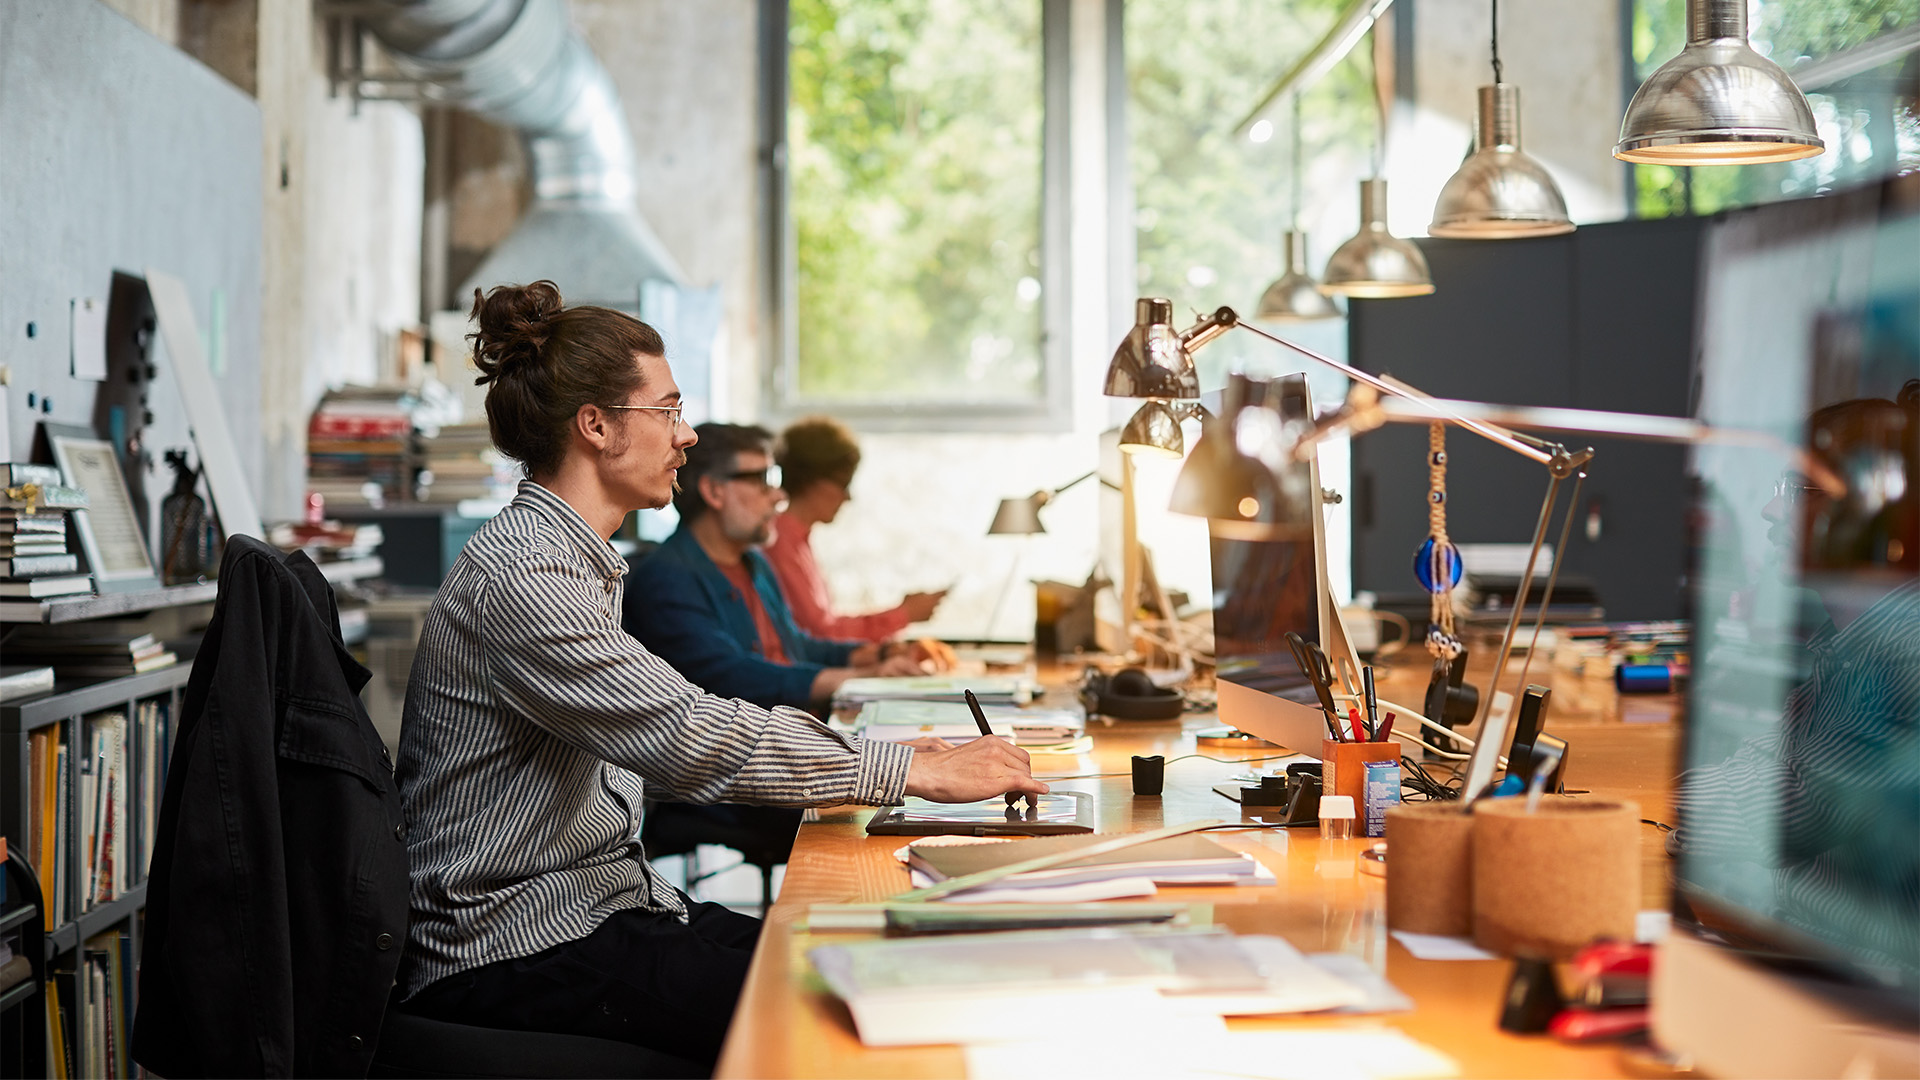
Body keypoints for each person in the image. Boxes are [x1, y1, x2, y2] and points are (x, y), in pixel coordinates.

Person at [390, 280, 1046, 1071]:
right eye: (667, 411)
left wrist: (903, 766)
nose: (687, 434)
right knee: (844, 1013)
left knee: (864, 942)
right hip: (514, 943)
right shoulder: (530, 578)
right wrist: (912, 771)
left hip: (601, 908)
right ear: (596, 426)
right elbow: (689, 733)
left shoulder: (575, 562)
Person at [625, 422, 924, 708]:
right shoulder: (666, 579)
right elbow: (731, 676)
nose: (780, 495)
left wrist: (876, 655)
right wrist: (859, 679)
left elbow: (794, 645)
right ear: (714, 492)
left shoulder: (754, 562)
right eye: (763, 481)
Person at [763, 415, 948, 643]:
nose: (848, 497)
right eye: (844, 483)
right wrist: (903, 614)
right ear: (815, 482)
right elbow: (821, 634)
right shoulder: (779, 544)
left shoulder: (796, 540)